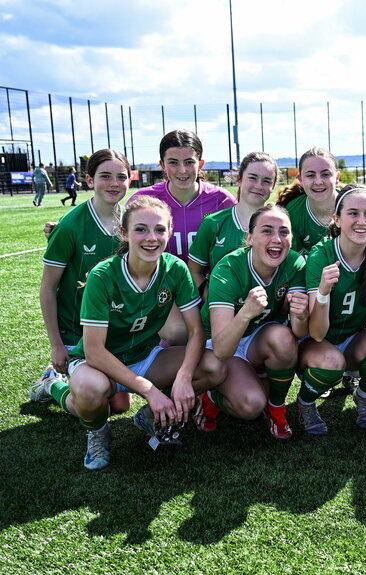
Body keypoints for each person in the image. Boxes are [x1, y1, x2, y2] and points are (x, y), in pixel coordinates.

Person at [52, 196, 226, 470]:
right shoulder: (102, 275)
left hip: (145, 357)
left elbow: (196, 331)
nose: (151, 238)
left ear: (170, 232)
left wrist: (183, 377)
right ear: (124, 233)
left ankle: (150, 418)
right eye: (141, 229)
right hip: (99, 365)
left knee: (214, 367)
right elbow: (95, 351)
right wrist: (152, 391)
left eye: (160, 229)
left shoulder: (175, 268)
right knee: (88, 392)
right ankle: (88, 421)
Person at [295, 184, 366, 432]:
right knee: (331, 361)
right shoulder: (321, 255)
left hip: (354, 338)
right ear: (337, 219)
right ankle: (305, 402)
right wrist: (324, 293)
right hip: (317, 342)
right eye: (353, 213)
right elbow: (316, 332)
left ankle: (364, 396)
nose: (362, 221)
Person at [31, 149, 134, 417]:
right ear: (89, 181)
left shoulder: (131, 223)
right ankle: (52, 385)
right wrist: (56, 344)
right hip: (76, 332)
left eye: (121, 176)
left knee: (120, 405)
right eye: (105, 176)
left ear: (130, 179)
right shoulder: (70, 226)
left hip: (112, 330)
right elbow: (47, 288)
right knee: (96, 406)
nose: (114, 183)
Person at [193, 204, 308, 439]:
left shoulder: (294, 264)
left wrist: (303, 314)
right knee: (250, 405)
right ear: (250, 237)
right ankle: (209, 396)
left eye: (284, 232)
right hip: (220, 347)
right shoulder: (227, 269)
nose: (277, 239)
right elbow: (223, 349)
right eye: (266, 231)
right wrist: (245, 312)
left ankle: (276, 408)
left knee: (284, 338)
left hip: (258, 340)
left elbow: (298, 330)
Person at [130, 129, 236, 261]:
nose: (182, 170)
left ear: (200, 164)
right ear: (162, 165)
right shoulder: (142, 200)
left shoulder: (223, 200)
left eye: (189, 162)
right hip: (157, 282)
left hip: (209, 281)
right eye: (173, 162)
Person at [188, 151, 279, 289]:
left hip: (268, 309)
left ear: (273, 187)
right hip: (221, 308)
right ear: (239, 179)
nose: (259, 186)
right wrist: (209, 297)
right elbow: (194, 271)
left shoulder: (282, 226)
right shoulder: (213, 223)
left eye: (266, 181)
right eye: (253, 178)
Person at [277, 146, 340, 254]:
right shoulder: (291, 213)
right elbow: (295, 262)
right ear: (300, 179)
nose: (318, 181)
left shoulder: (353, 204)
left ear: (337, 178)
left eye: (325, 174)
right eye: (311, 175)